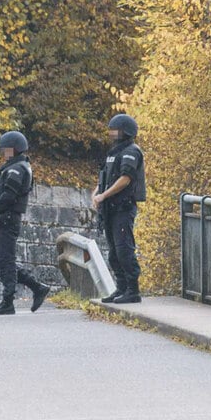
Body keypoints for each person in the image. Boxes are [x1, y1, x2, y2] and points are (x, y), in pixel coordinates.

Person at [0, 131, 51, 315]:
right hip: (4, 220)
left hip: (8, 220)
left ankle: (8, 301)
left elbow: (9, 197)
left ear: (14, 149)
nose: (3, 152)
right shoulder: (13, 167)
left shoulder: (16, 169)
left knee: (5, 261)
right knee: (2, 259)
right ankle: (37, 287)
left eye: (6, 149)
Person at [91, 114, 144, 304]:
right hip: (110, 210)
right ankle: (121, 289)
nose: (112, 133)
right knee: (114, 252)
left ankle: (132, 290)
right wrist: (97, 192)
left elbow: (125, 178)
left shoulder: (131, 151)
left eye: (115, 130)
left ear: (125, 132)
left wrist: (103, 195)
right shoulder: (114, 153)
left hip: (123, 207)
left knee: (124, 250)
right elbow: (106, 177)